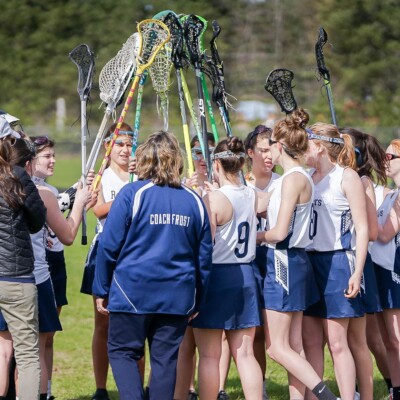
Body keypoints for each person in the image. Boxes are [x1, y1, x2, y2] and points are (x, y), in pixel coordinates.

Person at [93, 130, 213, 400]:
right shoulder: (194, 200)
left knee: (123, 352)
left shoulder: (132, 194)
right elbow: (204, 257)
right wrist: (198, 299)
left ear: (145, 159)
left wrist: (101, 289)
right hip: (176, 295)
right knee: (164, 360)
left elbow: (109, 246)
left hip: (132, 292)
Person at [256, 110, 339, 400]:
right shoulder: (292, 178)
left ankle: (328, 397)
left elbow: (278, 233)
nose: (267, 153)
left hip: (283, 260)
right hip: (295, 261)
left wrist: (255, 238)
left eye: (269, 147)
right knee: (293, 345)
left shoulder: (292, 180)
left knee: (276, 348)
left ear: (280, 145)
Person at [192, 136, 264, 400]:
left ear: (217, 166)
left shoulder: (214, 199)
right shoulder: (252, 194)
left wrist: (206, 197)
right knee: (244, 354)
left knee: (209, 355)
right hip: (245, 274)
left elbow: (204, 245)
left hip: (219, 275)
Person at [302, 122, 369, 400]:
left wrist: (358, 272)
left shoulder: (347, 176)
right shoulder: (305, 176)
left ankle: (347, 395)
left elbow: (363, 228)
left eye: (306, 143)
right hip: (309, 262)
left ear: (318, 145)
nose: (302, 148)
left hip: (340, 261)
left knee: (337, 343)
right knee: (311, 342)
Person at [29, 135, 95, 400]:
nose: (53, 160)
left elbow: (62, 216)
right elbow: (68, 233)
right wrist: (79, 205)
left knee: (48, 335)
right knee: (33, 340)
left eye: (54, 155)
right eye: (47, 156)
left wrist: (78, 193)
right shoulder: (37, 192)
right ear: (30, 160)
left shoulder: (49, 190)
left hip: (54, 265)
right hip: (37, 266)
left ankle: (47, 390)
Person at [80, 122, 137, 400]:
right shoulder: (101, 176)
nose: (125, 150)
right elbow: (98, 210)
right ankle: (101, 388)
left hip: (136, 253)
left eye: (129, 144)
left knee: (136, 324)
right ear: (108, 146)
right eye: (120, 144)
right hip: (105, 251)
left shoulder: (140, 175)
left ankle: (137, 387)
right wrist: (127, 197)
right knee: (102, 323)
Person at [340, 127, 389, 399]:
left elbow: (370, 232)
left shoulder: (362, 182)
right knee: (353, 338)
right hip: (339, 261)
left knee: (366, 338)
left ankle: (387, 385)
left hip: (358, 261)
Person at [0, 119, 46, 400]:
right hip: (16, 277)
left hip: (12, 273)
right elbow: (37, 220)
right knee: (28, 353)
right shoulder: (17, 175)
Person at [244, 124, 280, 400]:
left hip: (277, 260)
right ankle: (260, 386)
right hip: (247, 263)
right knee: (252, 333)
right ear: (250, 153)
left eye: (273, 149)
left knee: (279, 339)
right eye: (263, 150)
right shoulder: (239, 184)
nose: (269, 156)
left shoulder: (285, 182)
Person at [370, 138, 400, 400]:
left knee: (395, 338)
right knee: (388, 338)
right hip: (383, 269)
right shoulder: (392, 195)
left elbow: (383, 235)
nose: (385, 161)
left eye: (390, 158)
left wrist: (363, 212)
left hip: (393, 271)